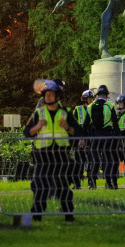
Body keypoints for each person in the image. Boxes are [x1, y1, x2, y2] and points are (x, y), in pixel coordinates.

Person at [24, 79, 78, 222]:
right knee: (41, 186)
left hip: (61, 155)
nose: (47, 96)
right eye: (46, 94)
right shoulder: (38, 113)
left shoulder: (66, 113)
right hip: (43, 156)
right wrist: (37, 126)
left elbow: (78, 132)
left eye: (51, 94)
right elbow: (27, 132)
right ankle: (37, 215)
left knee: (63, 186)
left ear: (58, 96)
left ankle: (68, 214)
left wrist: (67, 127)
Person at [82, 85, 119, 189]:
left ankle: (93, 183)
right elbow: (115, 124)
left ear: (97, 95)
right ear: (107, 95)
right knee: (107, 160)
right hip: (107, 135)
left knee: (95, 160)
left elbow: (85, 125)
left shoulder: (90, 107)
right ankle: (108, 183)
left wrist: (83, 138)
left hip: (94, 136)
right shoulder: (110, 106)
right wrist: (118, 139)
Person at [71, 89, 94, 189]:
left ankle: (91, 182)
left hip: (90, 138)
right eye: (88, 98)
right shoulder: (77, 109)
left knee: (91, 162)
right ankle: (77, 183)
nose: (90, 100)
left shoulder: (93, 108)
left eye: (91, 98)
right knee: (78, 163)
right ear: (84, 99)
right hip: (80, 139)